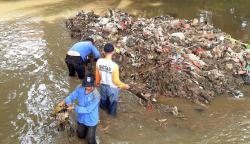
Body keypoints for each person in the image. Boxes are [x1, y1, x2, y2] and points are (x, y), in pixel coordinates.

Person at [59, 74, 100, 144]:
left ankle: (93, 136)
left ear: (93, 84)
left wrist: (74, 108)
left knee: (90, 139)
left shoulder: (96, 96)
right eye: (86, 85)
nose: (87, 87)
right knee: (80, 135)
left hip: (91, 120)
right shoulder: (80, 88)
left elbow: (88, 110)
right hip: (81, 118)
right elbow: (72, 96)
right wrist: (65, 101)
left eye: (89, 86)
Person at [95, 43, 130, 117]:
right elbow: (115, 81)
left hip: (102, 86)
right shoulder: (114, 66)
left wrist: (97, 82)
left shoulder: (99, 61)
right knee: (113, 104)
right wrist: (124, 86)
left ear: (103, 51)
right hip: (112, 88)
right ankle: (111, 117)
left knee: (103, 101)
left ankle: (102, 115)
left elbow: (97, 74)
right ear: (113, 52)